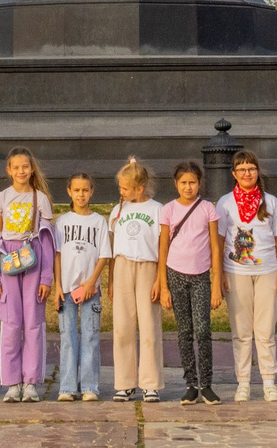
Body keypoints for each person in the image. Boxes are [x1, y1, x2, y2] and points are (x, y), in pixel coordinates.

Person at [216, 150, 277, 402]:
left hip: (267, 271)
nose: (247, 173)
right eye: (242, 169)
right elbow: (219, 239)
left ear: (258, 172)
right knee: (242, 330)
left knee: (265, 329)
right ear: (234, 174)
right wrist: (220, 275)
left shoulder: (270, 202)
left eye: (251, 168)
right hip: (236, 272)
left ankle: (269, 380)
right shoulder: (225, 203)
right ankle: (243, 381)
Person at [0, 149, 57, 401]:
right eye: (16, 167)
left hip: (34, 260)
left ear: (32, 168)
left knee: (34, 324)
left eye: (25, 166)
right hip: (8, 262)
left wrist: (47, 278)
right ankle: (12, 382)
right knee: (11, 323)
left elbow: (48, 242)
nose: (21, 171)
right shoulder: (1, 199)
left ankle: (31, 382)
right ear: (8, 170)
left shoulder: (41, 199)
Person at [157, 160, 220, 405]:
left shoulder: (207, 209)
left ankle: (207, 383)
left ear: (199, 183)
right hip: (175, 273)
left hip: (201, 274)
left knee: (203, 330)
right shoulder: (169, 210)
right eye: (183, 182)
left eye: (192, 182)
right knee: (184, 331)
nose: (188, 187)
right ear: (176, 184)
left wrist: (216, 284)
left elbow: (215, 245)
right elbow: (162, 247)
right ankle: (191, 383)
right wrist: (163, 286)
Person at [108, 158, 166, 401]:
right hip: (122, 266)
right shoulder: (118, 210)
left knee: (149, 326)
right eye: (120, 187)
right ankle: (125, 382)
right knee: (122, 326)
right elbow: (112, 246)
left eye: (124, 188)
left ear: (139, 188)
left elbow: (164, 245)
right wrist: (111, 279)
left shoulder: (157, 209)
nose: (120, 192)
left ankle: (150, 383)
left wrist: (160, 279)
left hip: (148, 267)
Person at [54, 171, 111, 400]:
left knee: (90, 336)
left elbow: (104, 255)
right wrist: (57, 285)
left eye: (85, 190)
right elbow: (57, 255)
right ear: (69, 191)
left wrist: (91, 282)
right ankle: (67, 387)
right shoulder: (62, 222)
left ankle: (89, 386)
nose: (81, 194)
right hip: (66, 288)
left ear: (91, 192)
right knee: (67, 337)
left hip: (90, 290)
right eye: (76, 190)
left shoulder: (98, 221)